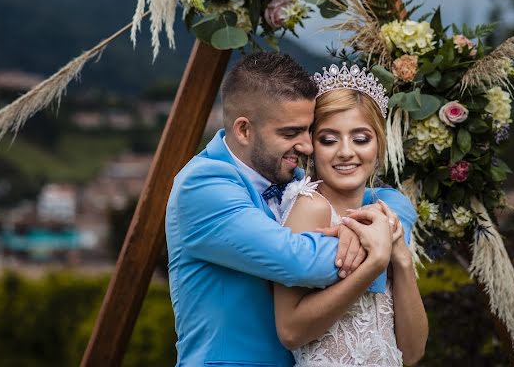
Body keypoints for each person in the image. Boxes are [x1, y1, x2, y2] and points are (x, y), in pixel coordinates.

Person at [165, 52, 416, 366]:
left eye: (308, 131)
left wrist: (388, 223)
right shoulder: (202, 187)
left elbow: (385, 198)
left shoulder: (287, 175)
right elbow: (299, 260)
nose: (307, 147)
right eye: (290, 133)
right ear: (244, 130)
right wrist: (378, 250)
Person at [274, 64, 428, 366]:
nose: (346, 152)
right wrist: (375, 263)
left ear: (379, 146)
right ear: (312, 147)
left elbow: (412, 353)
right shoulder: (310, 208)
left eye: (360, 139)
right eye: (329, 140)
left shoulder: (384, 217)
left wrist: (401, 258)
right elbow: (290, 332)